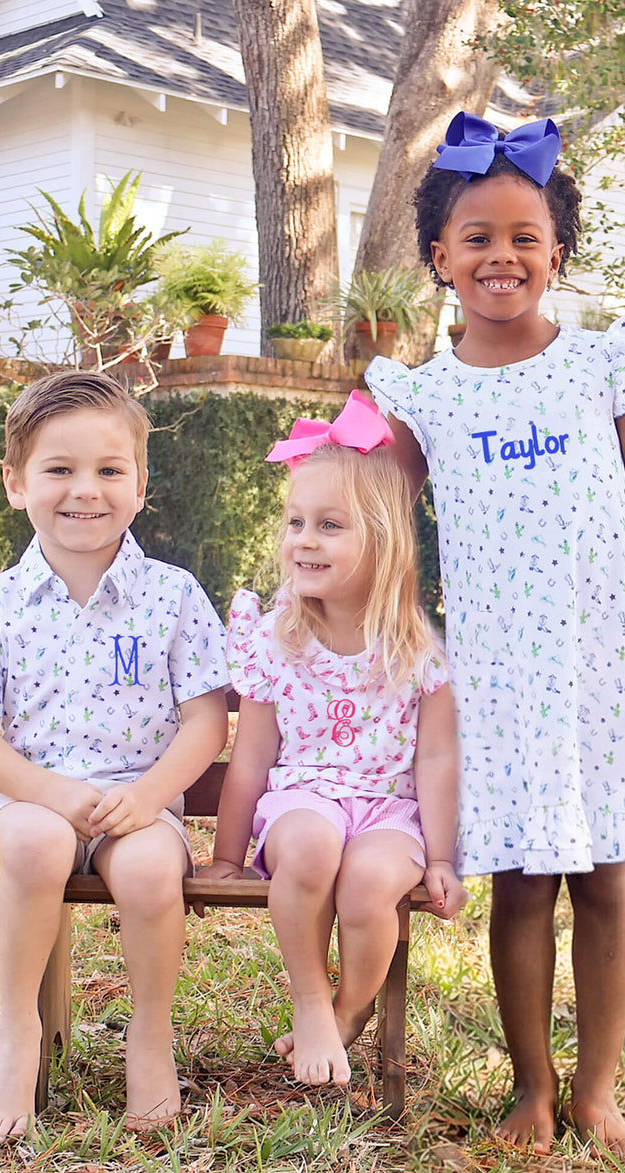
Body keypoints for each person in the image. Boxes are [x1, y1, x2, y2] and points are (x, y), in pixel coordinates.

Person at [364, 112, 625, 1159]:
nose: (500, 256)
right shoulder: (422, 395)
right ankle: (529, 1084)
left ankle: (596, 1091)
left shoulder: (603, 366)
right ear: (438, 259)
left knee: (606, 876)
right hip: (498, 680)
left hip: (603, 665)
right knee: (517, 882)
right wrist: (380, 631)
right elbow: (382, 526)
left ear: (556, 254)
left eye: (523, 236)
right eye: (475, 237)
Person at [0, 370, 230, 1141]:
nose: (85, 491)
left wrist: (149, 797)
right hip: (33, 802)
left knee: (142, 870)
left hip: (140, 805)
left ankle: (151, 1038)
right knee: (36, 844)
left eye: (109, 471)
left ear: (141, 485)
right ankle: (18, 1034)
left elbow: (207, 723)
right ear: (15, 483)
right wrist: (52, 795)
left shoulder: (173, 595)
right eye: (58, 470)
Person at [207, 390, 467, 1086]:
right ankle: (309, 999)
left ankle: (348, 1011)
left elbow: (438, 758)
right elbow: (253, 754)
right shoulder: (276, 639)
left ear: (380, 541)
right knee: (314, 844)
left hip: (390, 812)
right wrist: (226, 857)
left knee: (373, 883)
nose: (304, 540)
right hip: (304, 799)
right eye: (295, 522)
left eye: (328, 525)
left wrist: (442, 858)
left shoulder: (417, 651)